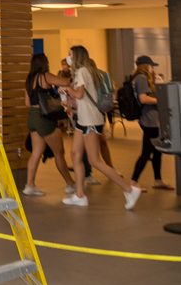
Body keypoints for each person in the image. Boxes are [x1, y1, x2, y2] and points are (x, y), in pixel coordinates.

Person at [62, 45, 141, 210]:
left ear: (77, 56)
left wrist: (67, 89)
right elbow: (80, 99)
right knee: (75, 154)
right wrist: (70, 102)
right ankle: (80, 195)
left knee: (95, 160)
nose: (68, 57)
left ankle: (129, 189)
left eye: (70, 54)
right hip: (84, 120)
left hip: (89, 121)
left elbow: (80, 94)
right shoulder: (88, 71)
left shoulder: (82, 71)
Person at [22, 53, 74, 196]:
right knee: (59, 153)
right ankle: (70, 184)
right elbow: (65, 82)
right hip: (44, 117)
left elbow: (27, 103)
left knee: (36, 152)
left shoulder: (29, 79)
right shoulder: (45, 76)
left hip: (32, 117)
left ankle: (30, 185)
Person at [130, 55, 172, 189]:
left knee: (157, 150)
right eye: (151, 66)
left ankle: (158, 180)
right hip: (150, 120)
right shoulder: (141, 78)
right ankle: (133, 182)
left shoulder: (141, 78)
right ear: (146, 66)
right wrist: (161, 101)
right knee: (146, 152)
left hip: (151, 119)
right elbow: (143, 99)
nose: (153, 68)